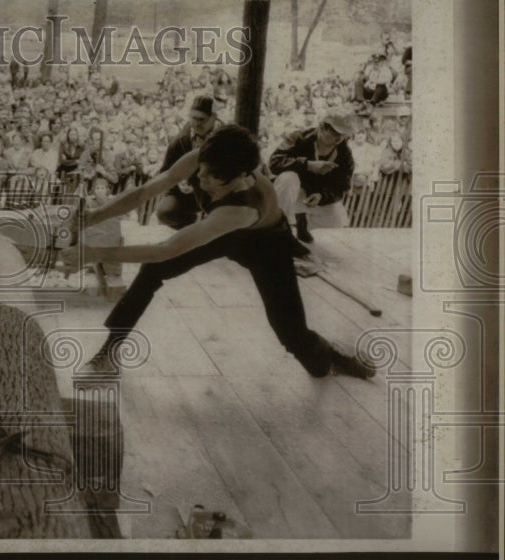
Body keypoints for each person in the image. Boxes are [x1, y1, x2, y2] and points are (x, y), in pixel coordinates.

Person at [61, 125, 374, 380]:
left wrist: (93, 253)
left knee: (293, 337)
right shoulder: (212, 156)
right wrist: (92, 216)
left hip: (266, 244)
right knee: (152, 273)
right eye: (203, 170)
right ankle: (110, 351)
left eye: (211, 178)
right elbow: (146, 191)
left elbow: (163, 249)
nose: (200, 179)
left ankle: (331, 358)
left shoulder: (244, 207)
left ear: (239, 177)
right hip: (220, 226)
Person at [269, 113, 356, 251]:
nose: (339, 139)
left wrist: (322, 195)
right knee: (288, 178)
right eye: (335, 133)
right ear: (322, 127)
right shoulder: (299, 138)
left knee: (338, 220)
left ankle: (302, 222)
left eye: (344, 135)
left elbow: (343, 185)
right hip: (292, 193)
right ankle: (276, 230)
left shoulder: (344, 152)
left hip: (313, 197)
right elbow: (275, 162)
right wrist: (307, 165)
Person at [154, 96, 223, 229]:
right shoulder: (180, 141)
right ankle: (191, 227)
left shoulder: (226, 136)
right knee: (164, 212)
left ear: (214, 117)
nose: (196, 124)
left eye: (201, 119)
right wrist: (178, 183)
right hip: (189, 194)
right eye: (193, 118)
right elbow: (165, 172)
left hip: (219, 191)